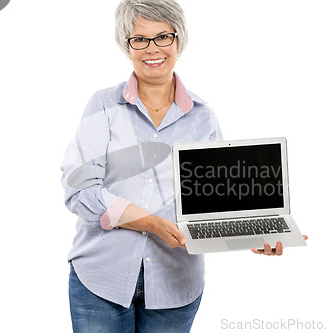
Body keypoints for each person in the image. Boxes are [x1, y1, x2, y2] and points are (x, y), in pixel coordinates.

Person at [60, 0, 307, 331]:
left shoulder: (203, 117)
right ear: (126, 44)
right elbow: (80, 190)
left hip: (175, 286)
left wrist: (255, 233)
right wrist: (150, 223)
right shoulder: (103, 105)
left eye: (163, 36)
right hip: (101, 277)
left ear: (178, 40)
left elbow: (220, 199)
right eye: (140, 39)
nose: (153, 49)